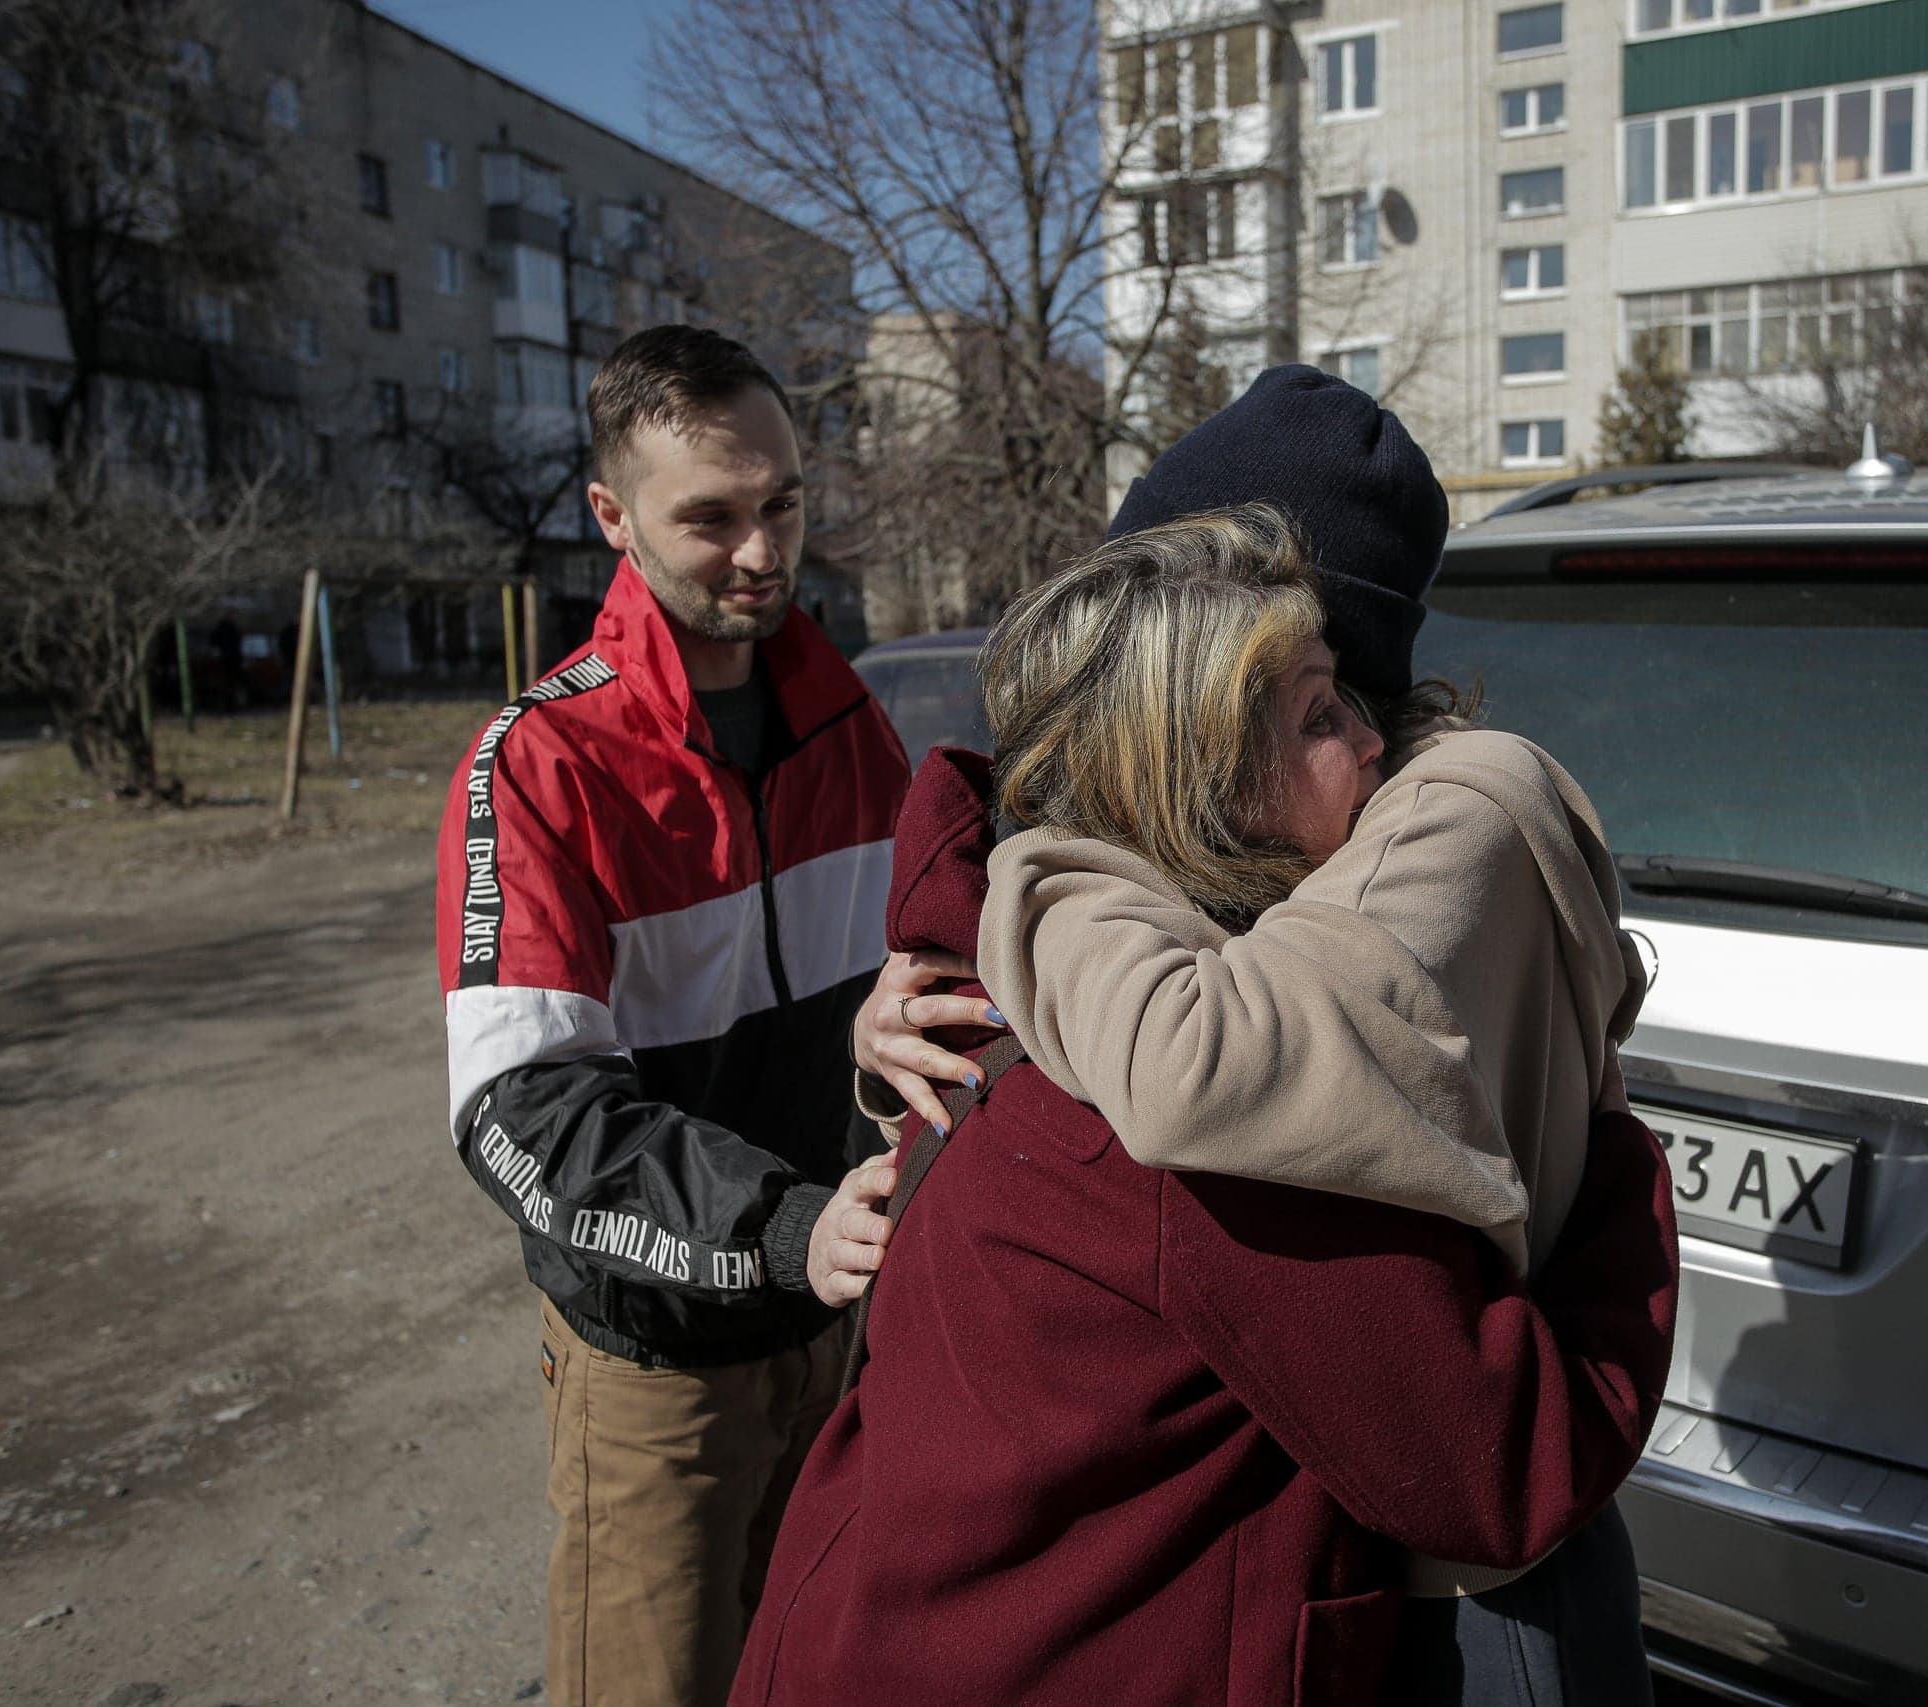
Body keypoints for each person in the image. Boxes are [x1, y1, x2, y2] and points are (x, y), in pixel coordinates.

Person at [731, 507, 1676, 1707]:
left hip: (858, 1627)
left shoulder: (1014, 972)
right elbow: (1505, 1470)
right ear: (1212, 794)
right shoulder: (1228, 1122)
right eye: (1324, 712)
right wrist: (1614, 1150)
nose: (1375, 742)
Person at [432, 325, 909, 1707]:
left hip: (834, 1330)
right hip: (657, 1373)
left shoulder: (853, 728)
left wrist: (897, 1019)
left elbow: (918, 972)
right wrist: (781, 1224)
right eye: (711, 516)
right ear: (613, 516)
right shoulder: (537, 763)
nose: (763, 552)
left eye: (785, 504)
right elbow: (518, 1114)